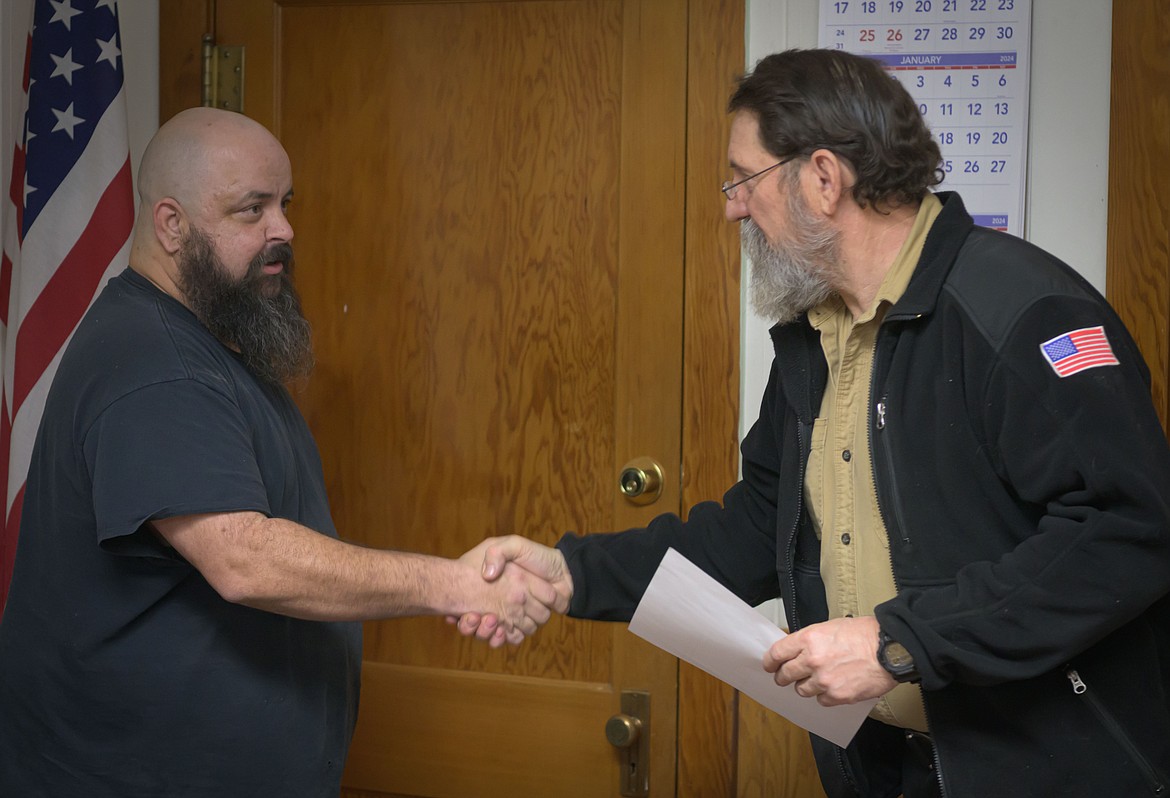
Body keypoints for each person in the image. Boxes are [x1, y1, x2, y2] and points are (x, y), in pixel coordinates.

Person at [458, 48, 1170, 798]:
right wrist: (573, 574)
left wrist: (900, 643)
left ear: (823, 178)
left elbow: (1130, 529)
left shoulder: (1019, 311)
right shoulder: (815, 336)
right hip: (889, 765)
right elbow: (759, 529)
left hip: (1044, 767)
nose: (733, 204)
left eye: (744, 177)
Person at [0, 107, 570, 798]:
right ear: (172, 225)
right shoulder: (154, 362)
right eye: (252, 210)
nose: (284, 230)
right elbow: (245, 558)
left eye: (284, 203)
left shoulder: (200, 345)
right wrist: (451, 583)